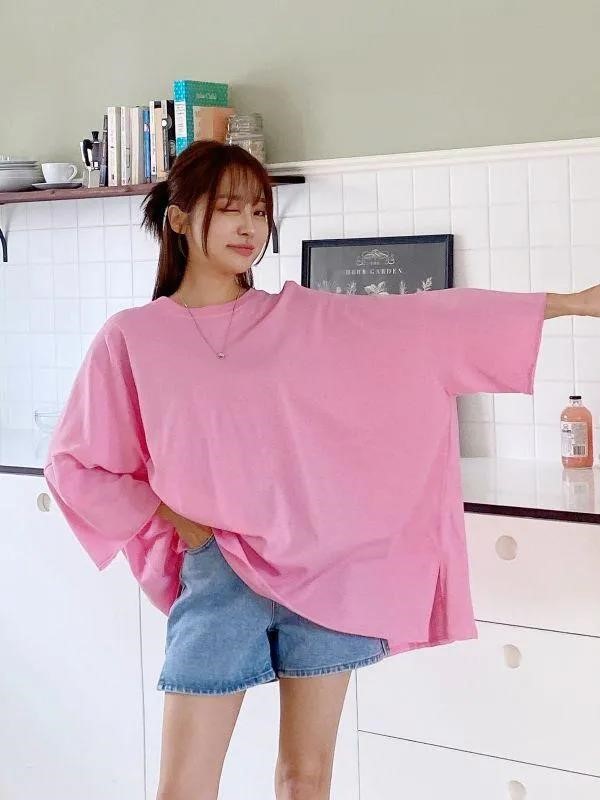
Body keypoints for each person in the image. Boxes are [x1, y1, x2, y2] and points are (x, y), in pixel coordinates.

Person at [43, 140, 600, 800]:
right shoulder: (133, 337)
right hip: (218, 574)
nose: (249, 226)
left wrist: (572, 303)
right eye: (230, 208)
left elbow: (423, 322)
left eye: (259, 210)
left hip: (324, 572)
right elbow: (76, 464)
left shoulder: (302, 318)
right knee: (183, 788)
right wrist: (181, 524)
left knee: (305, 780)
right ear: (180, 218)